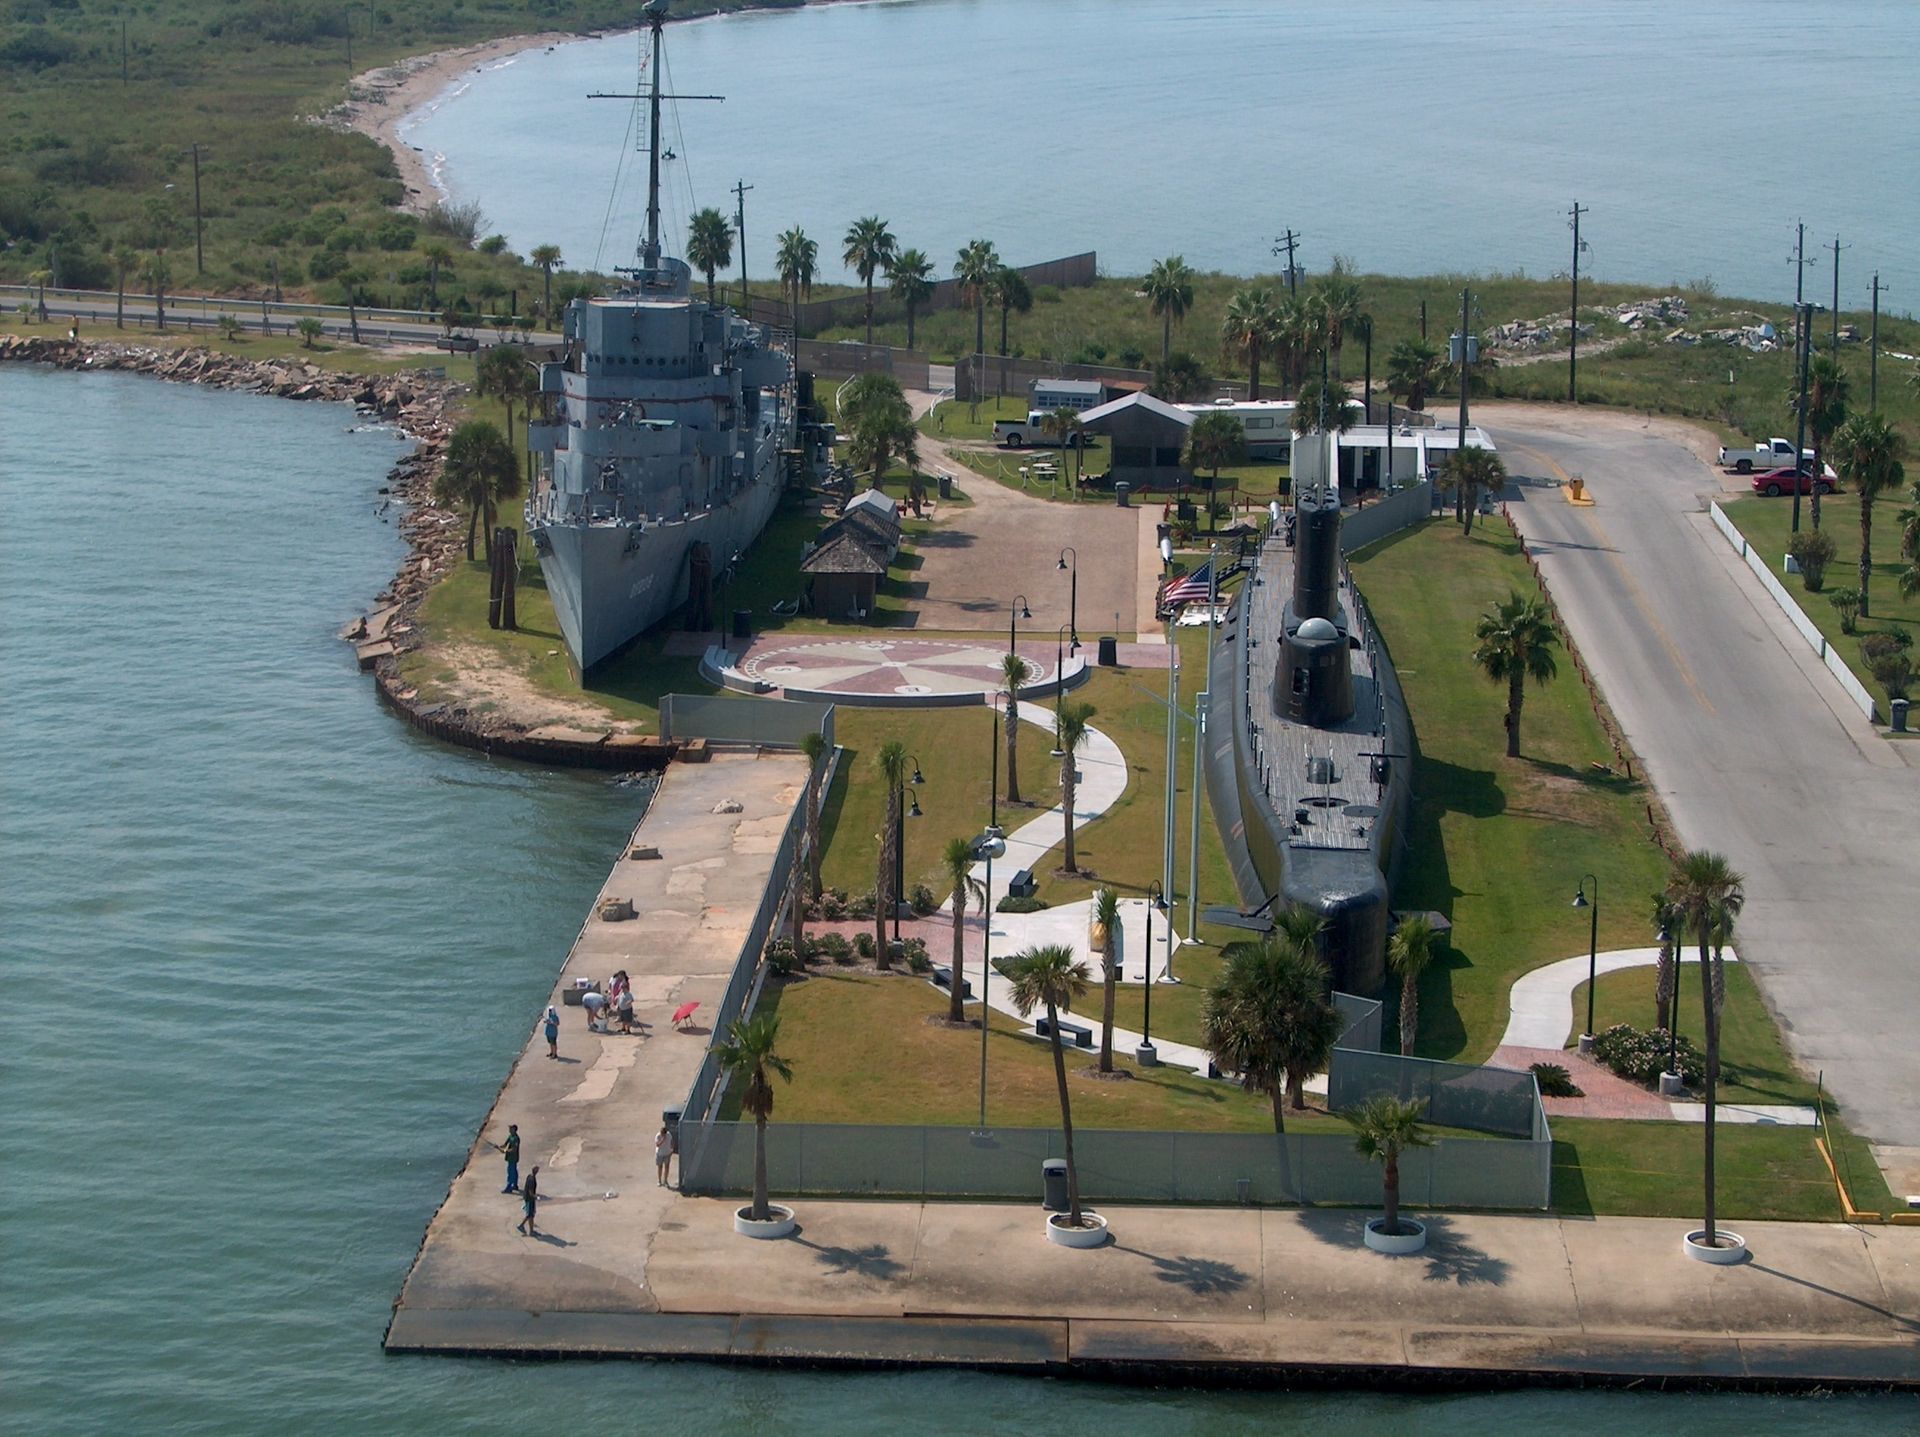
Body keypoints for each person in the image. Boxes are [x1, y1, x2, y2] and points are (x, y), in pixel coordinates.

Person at [494, 1123, 521, 1194]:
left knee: (511, 1172)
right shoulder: (510, 1136)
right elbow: (505, 1144)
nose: (509, 1129)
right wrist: (498, 1147)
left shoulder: (516, 1138)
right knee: (514, 1171)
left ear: (514, 1129)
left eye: (510, 1128)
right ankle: (514, 1185)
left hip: (513, 1158)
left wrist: (505, 1151)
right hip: (510, 1157)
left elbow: (514, 1149)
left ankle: (509, 1187)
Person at [516, 1165, 540, 1236]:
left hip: (528, 1198)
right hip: (530, 1199)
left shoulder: (529, 1176)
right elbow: (530, 1191)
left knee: (530, 1214)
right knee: (530, 1215)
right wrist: (535, 1197)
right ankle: (529, 1230)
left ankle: (523, 1226)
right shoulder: (532, 1180)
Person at [654, 1123, 673, 1188]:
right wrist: (662, 1140)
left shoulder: (669, 1135)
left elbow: (671, 1142)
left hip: (667, 1153)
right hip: (660, 1154)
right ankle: (659, 1180)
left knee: (667, 1167)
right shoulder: (658, 1136)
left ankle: (665, 1180)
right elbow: (657, 1145)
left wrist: (671, 1149)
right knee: (660, 1167)